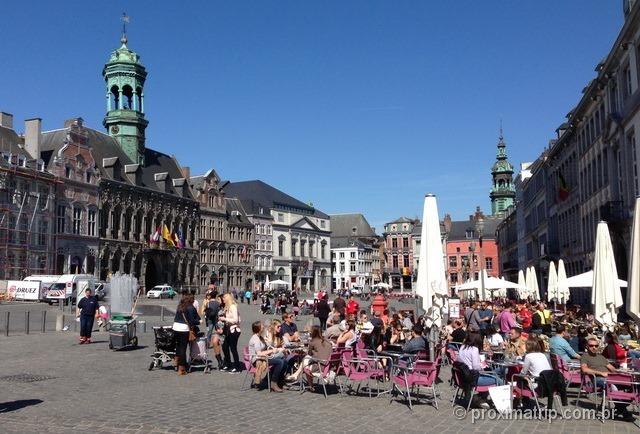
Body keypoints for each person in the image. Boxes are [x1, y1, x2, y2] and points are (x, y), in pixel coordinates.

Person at [581, 337, 635, 421]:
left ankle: (622, 406)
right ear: (587, 346)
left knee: (633, 385)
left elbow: (612, 368)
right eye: (591, 345)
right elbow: (584, 369)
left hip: (610, 377)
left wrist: (620, 372)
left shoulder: (601, 357)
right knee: (611, 386)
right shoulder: (585, 356)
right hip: (598, 379)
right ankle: (624, 411)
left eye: (596, 345)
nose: (594, 347)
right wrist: (601, 373)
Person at [248, 321, 285, 392]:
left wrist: (274, 349)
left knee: (283, 360)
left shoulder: (260, 337)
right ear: (258, 328)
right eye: (262, 326)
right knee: (279, 362)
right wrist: (271, 351)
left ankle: (271, 380)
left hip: (263, 357)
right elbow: (259, 353)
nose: (263, 327)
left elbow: (267, 346)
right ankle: (273, 383)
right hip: (257, 359)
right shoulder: (255, 339)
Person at [172, 294, 200, 375]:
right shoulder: (191, 307)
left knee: (178, 346)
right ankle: (182, 369)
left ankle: (176, 362)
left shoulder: (180, 306)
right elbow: (191, 321)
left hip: (175, 327)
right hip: (183, 329)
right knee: (183, 349)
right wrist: (199, 322)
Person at [219, 293, 242, 372]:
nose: (223, 300)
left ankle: (237, 366)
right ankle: (228, 364)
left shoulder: (233, 307)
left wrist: (225, 319)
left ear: (228, 298)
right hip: (228, 330)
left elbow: (236, 320)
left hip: (234, 330)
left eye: (224, 298)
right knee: (225, 347)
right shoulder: (227, 307)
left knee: (233, 348)